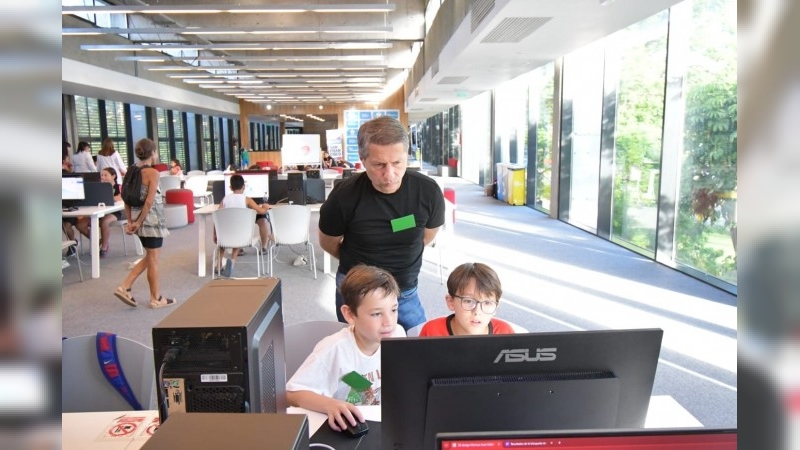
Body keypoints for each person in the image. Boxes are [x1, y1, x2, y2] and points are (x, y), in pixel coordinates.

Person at [318, 116, 446, 332]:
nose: (390, 174)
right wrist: (358, 263)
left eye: (397, 163)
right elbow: (328, 242)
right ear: (362, 159)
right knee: (355, 349)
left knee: (419, 344)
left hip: (405, 290)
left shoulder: (427, 191)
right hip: (358, 291)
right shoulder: (344, 196)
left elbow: (427, 236)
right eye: (379, 165)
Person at [286, 265, 405, 432]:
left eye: (393, 310)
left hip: (378, 420)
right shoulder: (334, 350)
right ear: (349, 314)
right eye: (376, 314)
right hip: (344, 427)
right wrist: (329, 404)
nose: (389, 322)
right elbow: (292, 393)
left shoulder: (397, 334)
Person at [112, 138, 177, 309]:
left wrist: (131, 221)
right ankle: (154, 298)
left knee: (150, 256)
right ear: (153, 152)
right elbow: (149, 202)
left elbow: (126, 198)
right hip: (151, 220)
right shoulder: (153, 173)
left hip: (136, 218)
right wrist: (139, 222)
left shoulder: (131, 170)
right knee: (153, 258)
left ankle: (127, 287)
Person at [418, 262, 514, 336]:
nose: (477, 312)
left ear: (496, 306)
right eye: (468, 301)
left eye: (487, 303)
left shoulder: (505, 333)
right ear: (450, 302)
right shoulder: (431, 332)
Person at [213, 174, 271, 277]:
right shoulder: (247, 199)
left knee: (222, 242)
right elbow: (261, 211)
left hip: (225, 234)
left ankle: (218, 265)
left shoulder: (225, 199)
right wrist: (266, 207)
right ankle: (232, 262)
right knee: (238, 238)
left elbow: (217, 216)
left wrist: (215, 233)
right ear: (244, 186)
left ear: (230, 187)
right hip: (241, 235)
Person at [75, 167, 123, 257]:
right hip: (98, 212)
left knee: (105, 222)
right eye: (102, 175)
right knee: (80, 224)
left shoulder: (118, 186)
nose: (103, 177)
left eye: (106, 175)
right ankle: (98, 240)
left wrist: (107, 197)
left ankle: (104, 247)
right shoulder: (98, 187)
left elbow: (120, 198)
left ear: (113, 176)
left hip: (114, 212)